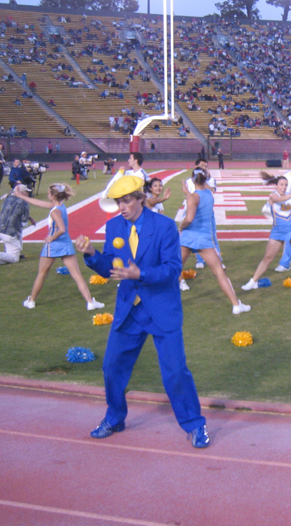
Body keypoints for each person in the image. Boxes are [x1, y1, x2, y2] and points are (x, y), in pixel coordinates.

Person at [74, 175, 210, 448]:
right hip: (129, 311)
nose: (121, 207)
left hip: (161, 309)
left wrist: (142, 272)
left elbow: (173, 269)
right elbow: (112, 268)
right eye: (117, 202)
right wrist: (91, 254)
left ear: (140, 199)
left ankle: (195, 424)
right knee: (112, 366)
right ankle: (114, 417)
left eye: (126, 201)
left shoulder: (165, 227)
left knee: (175, 371)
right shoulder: (113, 226)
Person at [12, 183, 104, 311]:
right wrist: (21, 196)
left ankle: (31, 300)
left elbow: (61, 229)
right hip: (66, 245)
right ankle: (90, 302)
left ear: (53, 196)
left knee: (42, 274)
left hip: (54, 246)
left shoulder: (55, 212)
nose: (47, 195)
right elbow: (39, 203)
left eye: (49, 193)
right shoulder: (60, 207)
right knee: (77, 276)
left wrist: (51, 238)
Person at [179, 169, 250, 315]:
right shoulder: (209, 195)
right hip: (204, 238)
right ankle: (236, 304)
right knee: (219, 272)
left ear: (192, 179)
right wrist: (188, 194)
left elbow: (189, 218)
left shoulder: (193, 197)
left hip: (188, 236)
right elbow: (198, 199)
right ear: (205, 179)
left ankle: (160, 304)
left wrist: (180, 226)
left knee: (173, 270)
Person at [241, 174, 291, 293]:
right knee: (267, 257)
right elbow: (280, 200)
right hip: (278, 231)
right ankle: (253, 281)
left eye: (286, 185)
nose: (283, 187)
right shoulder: (273, 195)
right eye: (281, 185)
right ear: (276, 185)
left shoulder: (289, 195)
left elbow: (289, 209)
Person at [0, 186, 34, 266]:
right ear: (22, 193)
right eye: (26, 192)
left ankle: (0, 257)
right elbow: (23, 222)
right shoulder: (24, 202)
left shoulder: (8, 199)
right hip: (10, 232)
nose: (28, 194)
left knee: (11, 246)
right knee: (14, 259)